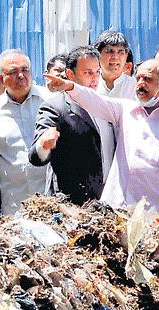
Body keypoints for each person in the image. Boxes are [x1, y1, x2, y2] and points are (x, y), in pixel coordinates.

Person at [45, 59, 159, 220]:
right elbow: (95, 101)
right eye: (138, 78)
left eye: (147, 79)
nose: (140, 84)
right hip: (116, 214)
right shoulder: (126, 110)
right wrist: (70, 86)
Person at [30, 45, 115, 205]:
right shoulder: (55, 107)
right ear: (70, 74)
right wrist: (44, 144)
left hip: (108, 202)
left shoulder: (106, 105)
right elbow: (35, 156)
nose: (95, 79)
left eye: (97, 72)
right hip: (72, 206)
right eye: (88, 73)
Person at [0, 49, 51, 217]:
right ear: (2, 79)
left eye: (25, 70)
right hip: (14, 205)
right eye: (13, 72)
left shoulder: (50, 101)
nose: (21, 75)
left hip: (51, 201)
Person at [94, 30, 136, 99]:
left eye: (120, 52)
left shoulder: (134, 86)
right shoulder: (90, 84)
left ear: (126, 56)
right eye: (109, 51)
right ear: (98, 55)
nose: (115, 57)